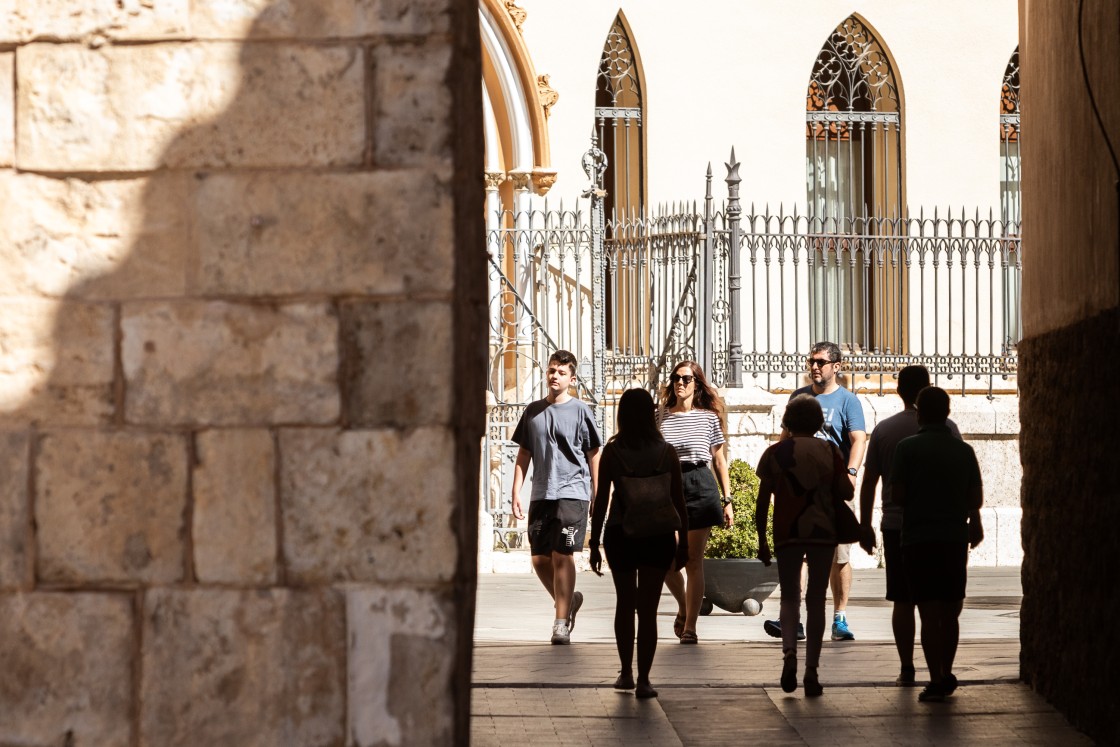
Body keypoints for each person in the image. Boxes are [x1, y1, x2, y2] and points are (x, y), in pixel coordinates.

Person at [858, 366, 962, 686]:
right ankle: (943, 669)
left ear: (898, 390)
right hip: (944, 527)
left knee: (903, 600)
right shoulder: (951, 430)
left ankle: (907, 666)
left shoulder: (884, 431)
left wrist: (865, 524)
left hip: (897, 526)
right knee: (943, 603)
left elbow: (870, 482)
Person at [589, 388, 689, 699]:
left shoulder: (613, 453)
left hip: (621, 533)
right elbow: (679, 502)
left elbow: (602, 499)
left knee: (625, 604)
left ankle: (626, 672)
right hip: (658, 536)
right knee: (648, 609)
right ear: (650, 414)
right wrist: (683, 541)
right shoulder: (666, 452)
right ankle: (645, 679)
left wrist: (593, 543)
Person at [763, 341, 867, 642]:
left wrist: (850, 472)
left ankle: (840, 618)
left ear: (836, 366)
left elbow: (859, 439)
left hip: (830, 490)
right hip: (798, 491)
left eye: (821, 362)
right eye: (811, 361)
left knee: (839, 557)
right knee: (801, 557)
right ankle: (794, 619)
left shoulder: (848, 401)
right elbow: (785, 437)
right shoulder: (798, 397)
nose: (814, 367)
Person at [891, 386, 984, 703]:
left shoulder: (906, 449)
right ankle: (947, 670)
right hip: (954, 538)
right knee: (951, 610)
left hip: (918, 539)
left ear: (919, 413)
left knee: (928, 612)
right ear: (947, 412)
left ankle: (935, 677)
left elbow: (898, 496)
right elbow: (975, 499)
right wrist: (975, 523)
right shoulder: (964, 451)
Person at [756, 394, 853, 697]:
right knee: (816, 598)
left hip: (787, 531)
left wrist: (761, 539)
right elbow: (846, 491)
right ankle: (811, 670)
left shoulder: (774, 454)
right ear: (817, 422)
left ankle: (788, 656)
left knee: (789, 597)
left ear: (788, 421)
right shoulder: (830, 450)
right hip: (823, 531)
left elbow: (762, 502)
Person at [511, 350, 602, 645]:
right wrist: (515, 490)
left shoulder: (580, 411)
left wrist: (597, 492)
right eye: (552, 370)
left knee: (563, 555)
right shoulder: (533, 411)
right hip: (541, 493)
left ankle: (560, 621)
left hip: (573, 493)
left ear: (571, 379)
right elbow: (524, 453)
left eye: (561, 373)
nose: (555, 376)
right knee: (539, 559)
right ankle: (569, 599)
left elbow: (593, 454)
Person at [658, 361, 733, 645]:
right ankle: (683, 605)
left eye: (686, 379)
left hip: (700, 483)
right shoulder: (660, 416)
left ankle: (690, 627)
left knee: (693, 561)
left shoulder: (708, 417)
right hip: (668, 487)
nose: (680, 383)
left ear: (696, 383)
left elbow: (718, 460)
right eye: (676, 378)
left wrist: (727, 500)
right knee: (666, 558)